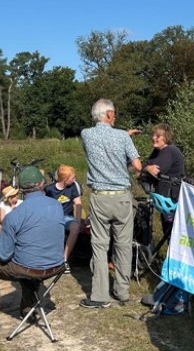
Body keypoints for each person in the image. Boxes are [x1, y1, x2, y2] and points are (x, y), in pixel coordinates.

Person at [0, 166, 64, 332]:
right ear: (42, 184)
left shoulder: (15, 216)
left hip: (30, 268)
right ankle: (29, 309)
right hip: (56, 266)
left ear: (19, 190)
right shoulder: (57, 206)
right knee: (27, 256)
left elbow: (3, 255)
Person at [79, 98, 142, 308]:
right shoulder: (122, 137)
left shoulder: (86, 134)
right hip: (122, 197)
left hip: (100, 197)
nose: (115, 116)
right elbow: (138, 165)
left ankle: (99, 295)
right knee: (123, 245)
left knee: (99, 245)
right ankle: (122, 291)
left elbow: (102, 148)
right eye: (113, 113)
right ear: (108, 114)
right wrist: (126, 138)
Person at [140, 123, 186, 236]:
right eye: (153, 135)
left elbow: (155, 172)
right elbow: (146, 166)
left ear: (165, 137)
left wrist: (146, 168)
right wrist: (146, 168)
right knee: (168, 232)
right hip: (165, 197)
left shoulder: (169, 151)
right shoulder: (158, 151)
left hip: (172, 199)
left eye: (157, 136)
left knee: (171, 233)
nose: (153, 138)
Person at [44, 164, 82, 273]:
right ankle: (49, 258)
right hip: (53, 217)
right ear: (65, 179)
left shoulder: (73, 187)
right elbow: (44, 206)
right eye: (72, 178)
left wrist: (78, 221)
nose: (74, 180)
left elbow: (78, 203)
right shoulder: (49, 189)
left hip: (67, 217)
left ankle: (64, 258)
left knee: (75, 228)